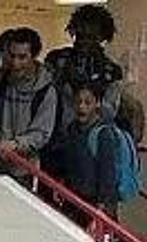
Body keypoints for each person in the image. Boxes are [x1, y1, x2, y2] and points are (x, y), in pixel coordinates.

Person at [43, 5, 123, 181]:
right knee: (47, 195)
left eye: (91, 37)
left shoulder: (111, 71)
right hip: (55, 144)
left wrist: (86, 92)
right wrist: (62, 78)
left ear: (102, 37)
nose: (84, 42)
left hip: (91, 147)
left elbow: (109, 112)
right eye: (80, 36)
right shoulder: (57, 60)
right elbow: (42, 97)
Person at [0, 27, 57, 189]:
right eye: (12, 56)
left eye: (22, 57)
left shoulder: (46, 91)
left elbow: (41, 133)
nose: (15, 63)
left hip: (22, 169)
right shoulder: (1, 81)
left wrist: (15, 144)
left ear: (34, 56)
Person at [61, 83, 118, 232]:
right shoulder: (72, 129)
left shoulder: (104, 135)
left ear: (97, 103)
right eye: (78, 102)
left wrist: (101, 211)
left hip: (94, 204)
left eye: (87, 102)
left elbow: (108, 175)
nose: (82, 107)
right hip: (73, 199)